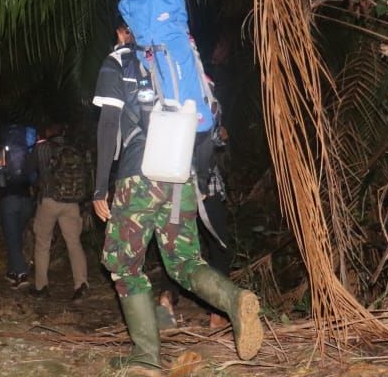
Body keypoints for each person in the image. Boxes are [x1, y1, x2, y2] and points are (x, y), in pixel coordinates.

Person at [92, 21, 262, 372]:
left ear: (125, 31)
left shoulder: (119, 61)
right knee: (186, 262)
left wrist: (99, 186)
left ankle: (145, 358)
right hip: (181, 178)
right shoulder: (181, 64)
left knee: (124, 264)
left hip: (139, 175)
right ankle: (233, 299)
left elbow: (109, 124)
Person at [29, 124, 90, 299]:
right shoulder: (75, 149)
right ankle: (81, 284)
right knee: (74, 243)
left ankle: (42, 287)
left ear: (48, 132)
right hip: (72, 202)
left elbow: (28, 170)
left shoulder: (41, 148)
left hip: (48, 200)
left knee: (42, 244)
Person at [0, 124, 36, 288]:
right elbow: (35, 177)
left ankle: (22, 274)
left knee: (11, 238)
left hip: (9, 200)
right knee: (16, 236)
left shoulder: (0, 152)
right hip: (27, 201)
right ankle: (12, 272)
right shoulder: (28, 152)